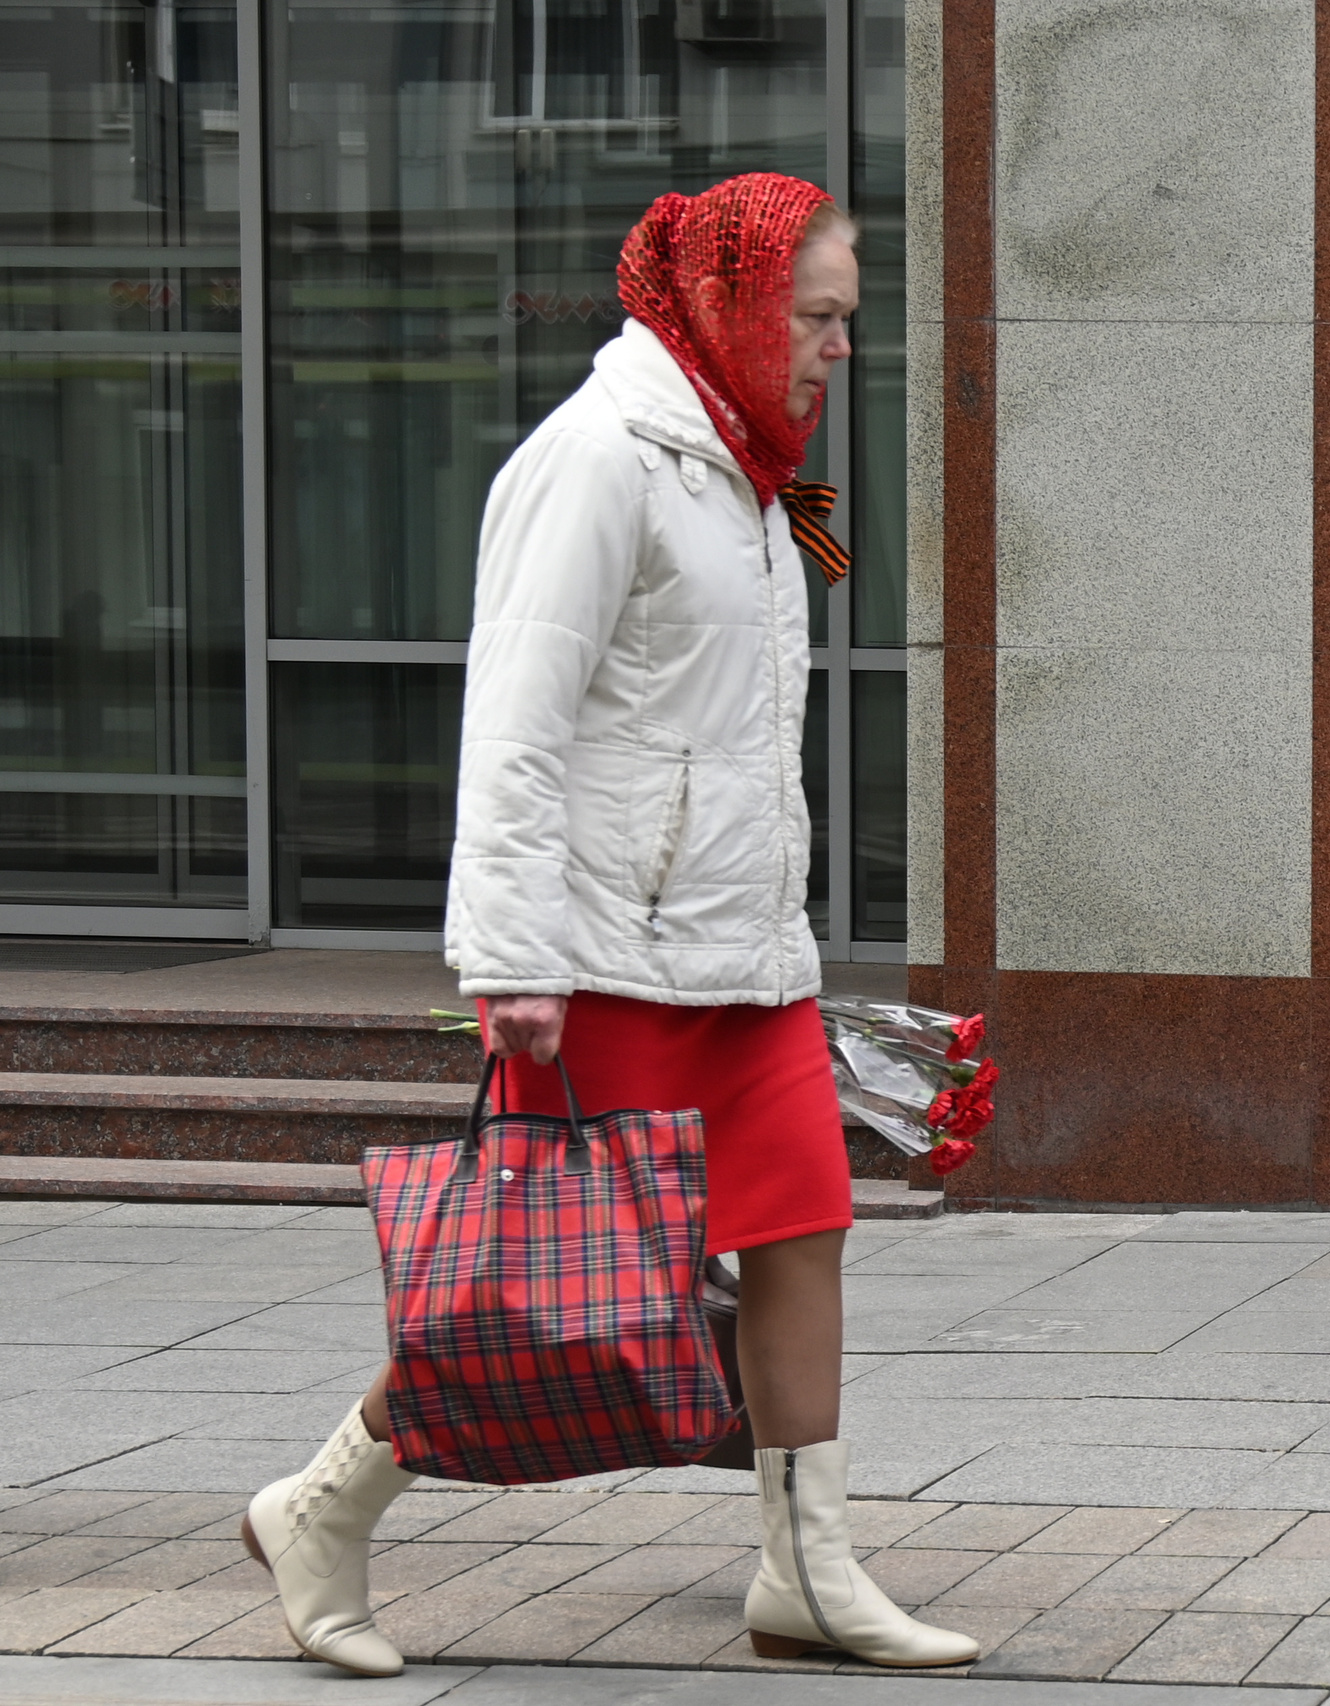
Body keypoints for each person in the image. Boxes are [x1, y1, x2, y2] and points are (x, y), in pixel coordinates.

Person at [235, 174, 977, 1677]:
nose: (843, 348)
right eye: (821, 318)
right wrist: (508, 956)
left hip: (745, 948)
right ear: (740, 303)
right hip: (603, 955)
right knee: (532, 1288)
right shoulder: (596, 460)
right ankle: (322, 1505)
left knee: (803, 1230)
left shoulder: (761, 475)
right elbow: (513, 720)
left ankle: (809, 1572)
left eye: (850, 320)